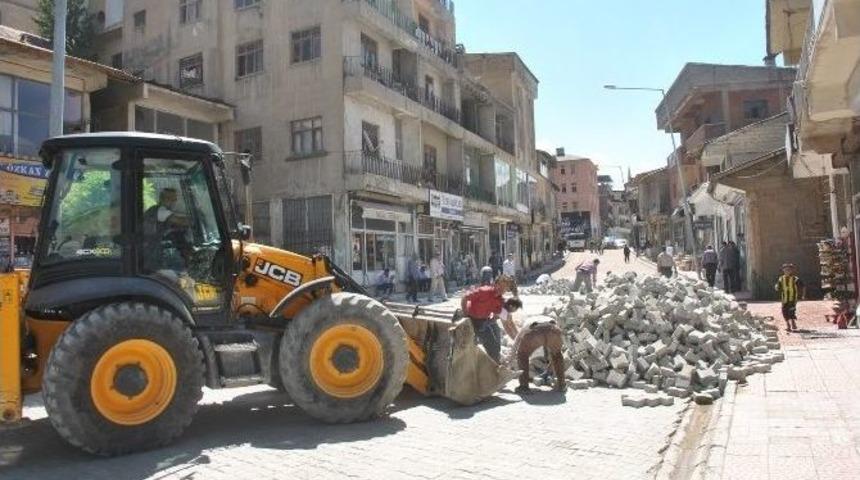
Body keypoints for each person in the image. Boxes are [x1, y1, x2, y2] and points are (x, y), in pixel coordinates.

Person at [504, 315, 566, 394]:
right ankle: (562, 385)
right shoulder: (549, 319)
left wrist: (509, 360)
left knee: (522, 355)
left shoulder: (525, 326)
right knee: (557, 355)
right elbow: (557, 342)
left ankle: (524, 387)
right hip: (552, 330)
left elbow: (515, 345)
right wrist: (550, 367)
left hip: (535, 332)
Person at [460, 284, 520, 363]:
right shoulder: (503, 310)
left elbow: (511, 325)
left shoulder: (503, 305)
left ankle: (494, 357)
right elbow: (507, 328)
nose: (514, 311)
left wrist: (518, 338)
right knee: (493, 342)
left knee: (496, 334)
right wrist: (517, 341)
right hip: (478, 319)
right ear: (511, 306)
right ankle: (493, 361)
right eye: (514, 309)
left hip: (486, 319)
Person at [775, 263, 805, 331]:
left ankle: (793, 322)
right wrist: (776, 287)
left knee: (791, 310)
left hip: (793, 298)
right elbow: (778, 286)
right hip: (784, 299)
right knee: (784, 311)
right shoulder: (781, 279)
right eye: (785, 270)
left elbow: (803, 286)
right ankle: (788, 324)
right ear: (783, 271)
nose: (787, 271)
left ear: (791, 271)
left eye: (788, 270)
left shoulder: (795, 279)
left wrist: (803, 295)